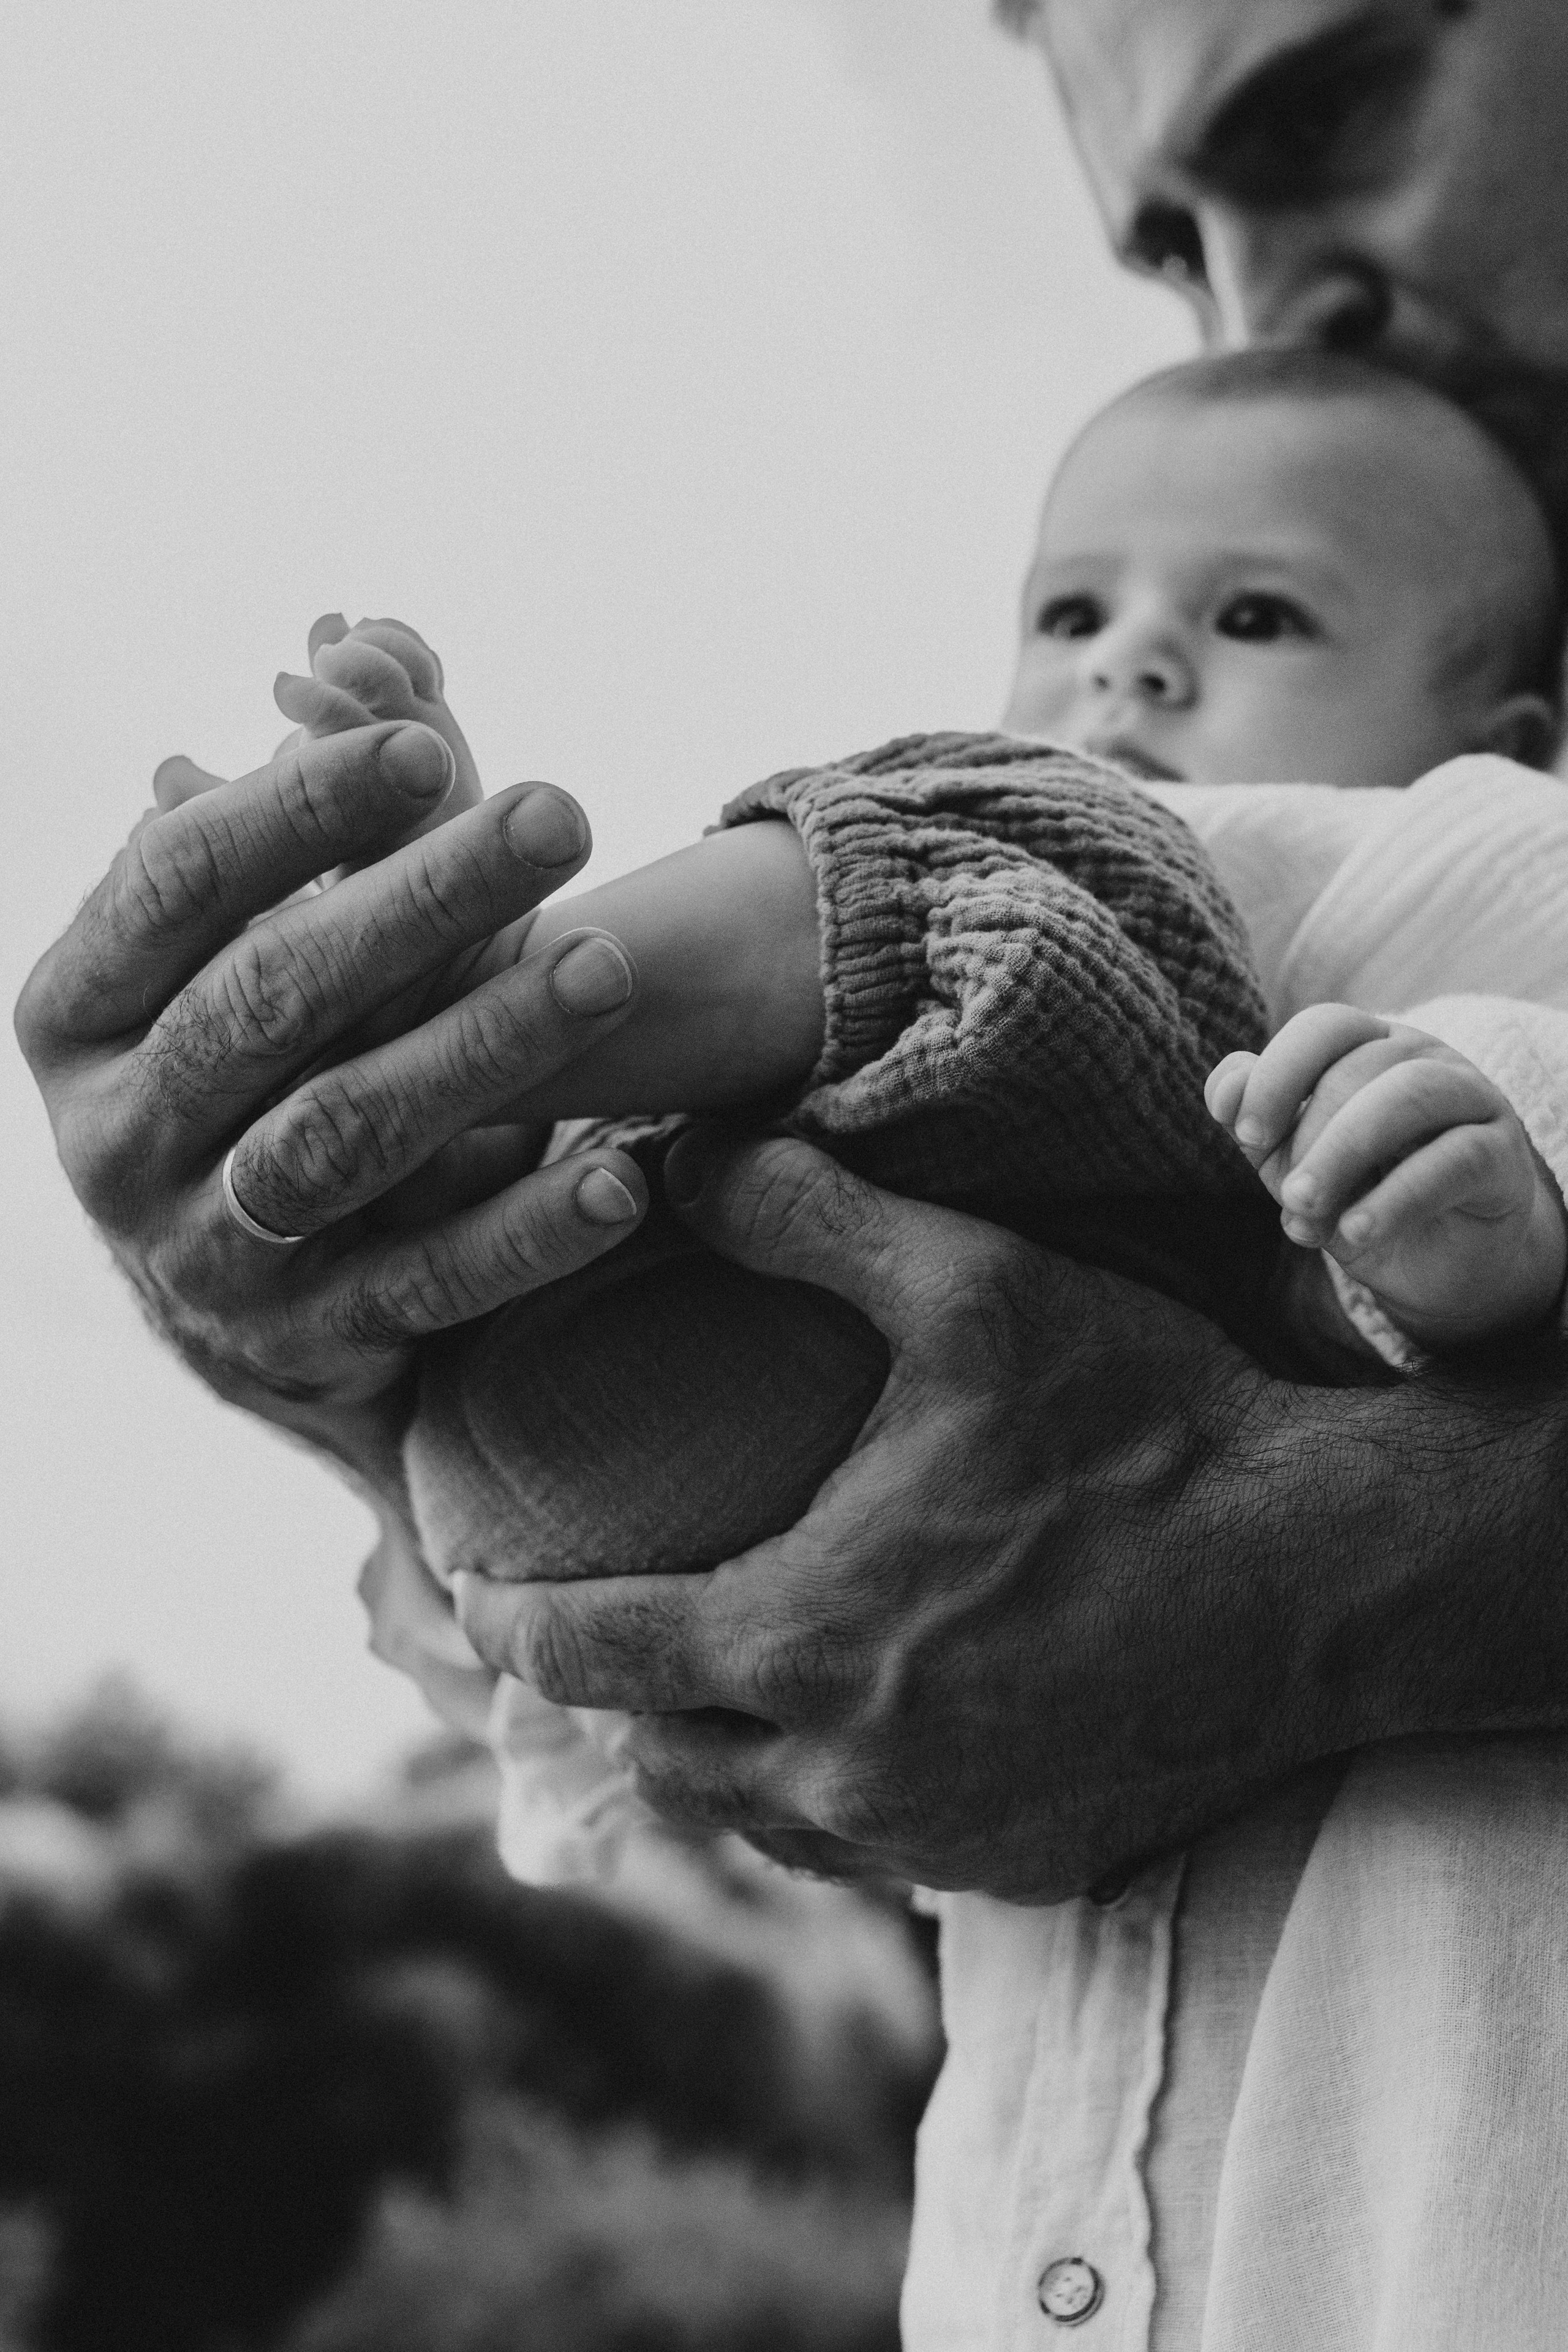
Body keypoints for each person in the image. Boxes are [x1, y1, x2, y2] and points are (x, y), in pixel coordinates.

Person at [13, 0, 1568, 2337]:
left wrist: (527, 992)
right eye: (1173, 237)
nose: (1275, 291)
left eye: (1335, 107)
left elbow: (1012, 891)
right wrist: (379, 1307)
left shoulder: (1426, 864)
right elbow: (803, 1684)